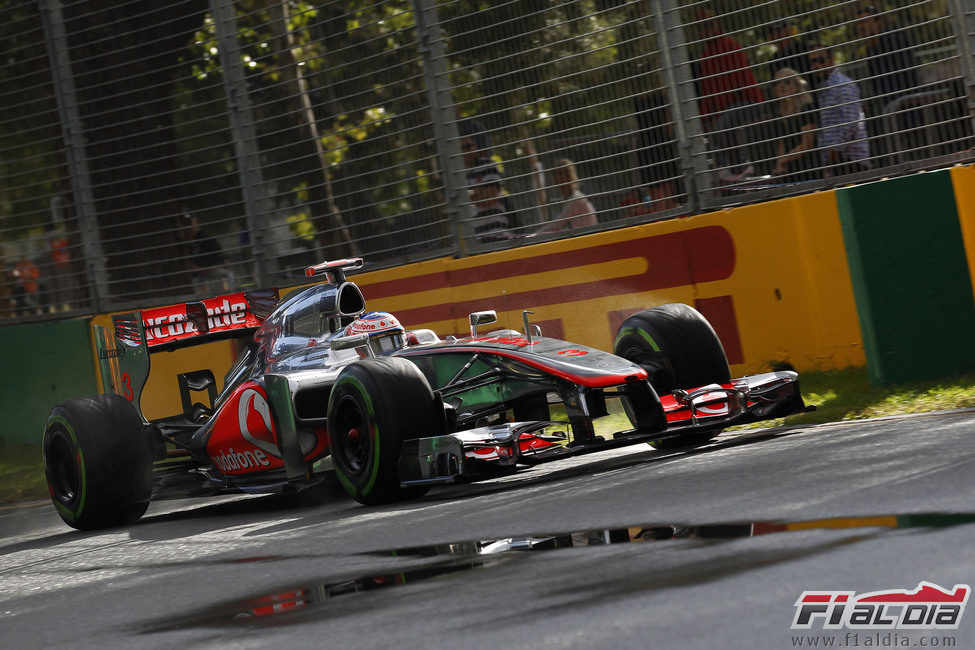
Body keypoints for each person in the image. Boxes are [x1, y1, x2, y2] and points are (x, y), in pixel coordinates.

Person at [855, 6, 923, 163]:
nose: (861, 26)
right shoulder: (871, 50)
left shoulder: (894, 39)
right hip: (891, 111)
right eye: (858, 23)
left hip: (907, 108)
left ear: (878, 22)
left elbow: (907, 75)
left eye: (865, 21)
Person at [693, 9, 765, 132]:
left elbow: (738, 82)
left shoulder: (730, 46)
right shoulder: (706, 56)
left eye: (709, 25)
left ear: (717, 25)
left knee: (718, 132)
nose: (706, 31)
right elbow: (708, 91)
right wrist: (703, 119)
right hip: (727, 110)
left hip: (745, 103)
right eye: (702, 28)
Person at [809, 46, 871, 176]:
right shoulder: (823, 88)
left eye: (820, 60)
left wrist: (835, 149)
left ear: (831, 60)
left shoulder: (843, 85)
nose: (816, 65)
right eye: (813, 62)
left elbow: (851, 122)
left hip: (851, 160)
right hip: (837, 162)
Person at [458, 119, 512, 241]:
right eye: (463, 148)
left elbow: (490, 197)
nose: (467, 150)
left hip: (498, 234)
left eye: (469, 146)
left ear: (475, 146)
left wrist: (466, 197)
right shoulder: (457, 176)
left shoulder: (488, 165)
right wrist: (476, 193)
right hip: (475, 240)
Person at [770, 68, 820, 183]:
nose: (782, 86)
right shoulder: (782, 114)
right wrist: (779, 165)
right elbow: (782, 142)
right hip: (791, 173)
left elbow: (807, 144)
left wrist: (783, 160)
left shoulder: (806, 108)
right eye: (778, 83)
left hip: (809, 172)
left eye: (787, 82)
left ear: (797, 85)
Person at [536, 159, 598, 235]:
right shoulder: (570, 197)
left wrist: (533, 236)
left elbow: (556, 225)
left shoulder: (576, 198)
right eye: (555, 174)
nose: (557, 177)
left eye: (561, 173)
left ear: (569, 175)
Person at [180, 213, 235, 294]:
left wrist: (222, 263)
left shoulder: (205, 238)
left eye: (189, 223)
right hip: (197, 276)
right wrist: (197, 268)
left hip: (212, 270)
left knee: (229, 274)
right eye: (185, 224)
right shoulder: (183, 244)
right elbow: (188, 264)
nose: (188, 227)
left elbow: (221, 256)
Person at [766, 20, 815, 88]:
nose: (777, 35)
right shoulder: (773, 60)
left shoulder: (804, 50)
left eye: (780, 31)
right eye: (774, 32)